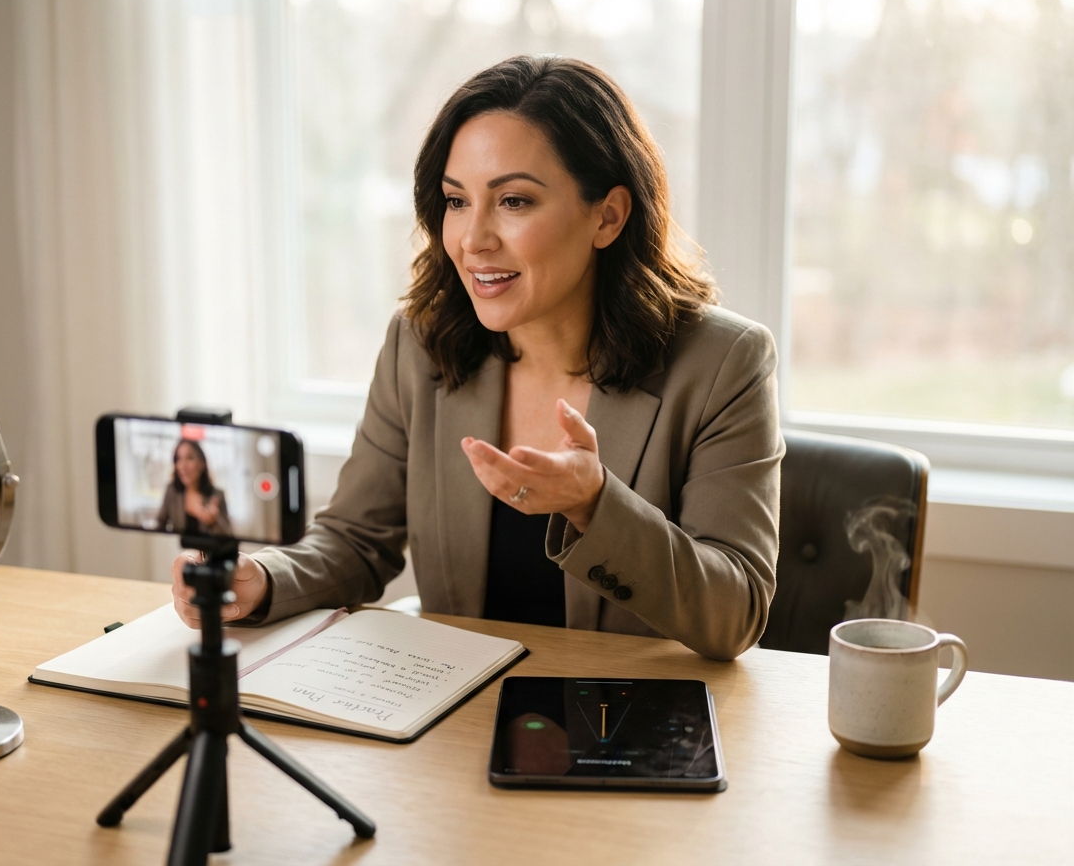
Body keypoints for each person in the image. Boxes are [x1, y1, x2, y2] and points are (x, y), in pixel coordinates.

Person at [172, 55, 783, 660]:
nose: (472, 239)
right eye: (456, 201)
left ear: (609, 215)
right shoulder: (420, 344)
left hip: (628, 722)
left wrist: (596, 503)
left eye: (514, 201)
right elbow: (356, 539)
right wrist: (265, 577)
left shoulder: (723, 363)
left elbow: (734, 614)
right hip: (454, 714)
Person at [156, 439, 233, 538]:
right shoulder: (172, 491)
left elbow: (229, 538)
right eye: (178, 459)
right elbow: (159, 525)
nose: (183, 466)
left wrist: (214, 522)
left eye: (189, 458)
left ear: (202, 463)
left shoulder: (217, 495)